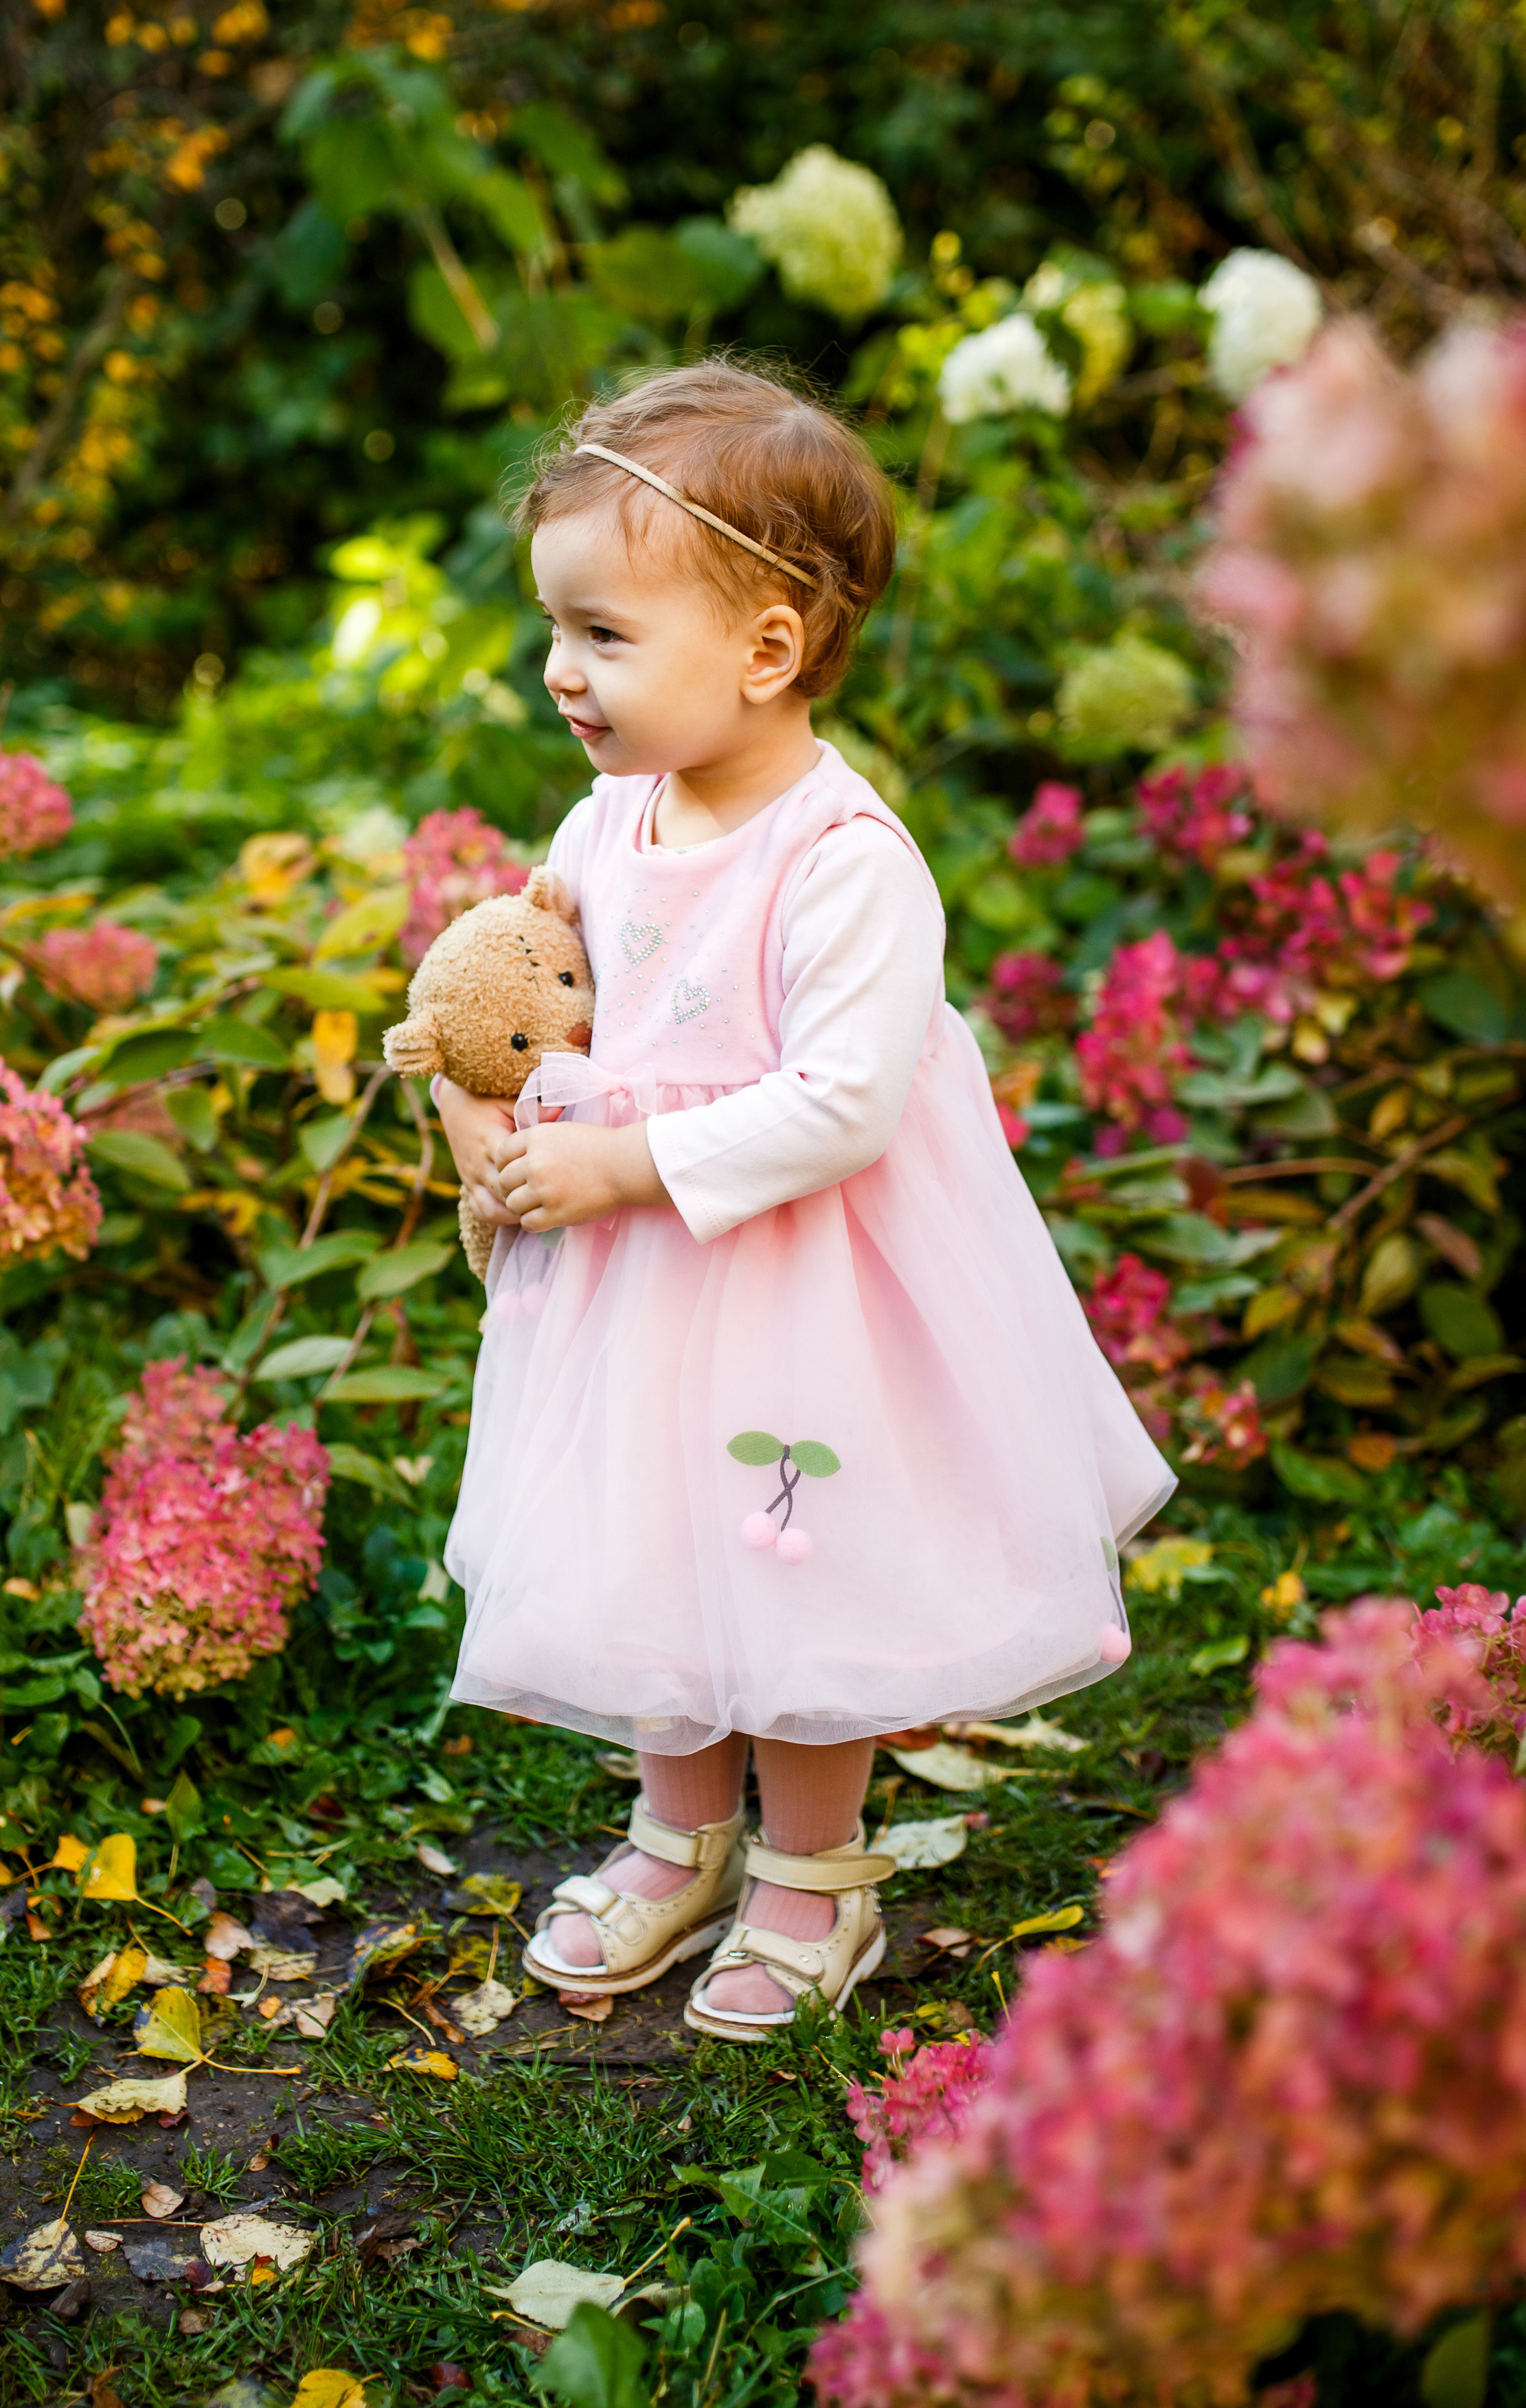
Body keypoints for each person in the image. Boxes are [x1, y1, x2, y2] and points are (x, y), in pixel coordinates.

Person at [433, 359, 1174, 2043]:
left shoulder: (845, 862)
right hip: (633, 1292)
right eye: (554, 629)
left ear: (766, 648)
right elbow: (530, 989)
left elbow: (841, 1102)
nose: (559, 671)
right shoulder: (609, 818)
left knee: (790, 1559)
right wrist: (478, 1103)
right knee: (646, 1546)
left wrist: (620, 1159)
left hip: (795, 1289)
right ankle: (679, 1829)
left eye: (604, 635)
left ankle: (813, 1872)